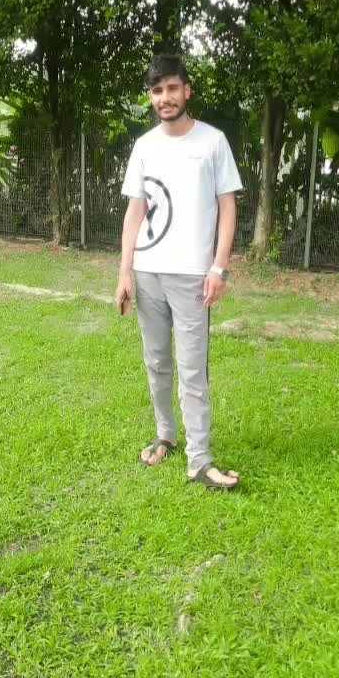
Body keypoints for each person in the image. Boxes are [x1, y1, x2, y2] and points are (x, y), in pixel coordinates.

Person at [115, 53, 243, 489]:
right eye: (157, 90)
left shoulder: (213, 142)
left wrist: (218, 268)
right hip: (147, 272)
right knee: (156, 361)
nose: (164, 97)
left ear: (186, 90)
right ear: (150, 97)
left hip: (192, 277)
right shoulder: (144, 147)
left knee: (192, 369)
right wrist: (125, 272)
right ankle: (165, 434)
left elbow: (227, 207)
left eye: (172, 88)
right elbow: (135, 212)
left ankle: (199, 460)